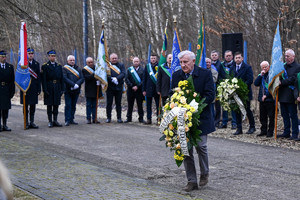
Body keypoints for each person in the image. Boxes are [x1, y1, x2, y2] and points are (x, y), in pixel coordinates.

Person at [171, 50, 215, 192]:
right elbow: (172, 95)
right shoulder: (177, 75)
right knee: (186, 149)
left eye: (185, 62)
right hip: (182, 118)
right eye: (181, 62)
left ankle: (204, 173)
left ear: (193, 61)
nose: (183, 65)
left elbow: (210, 94)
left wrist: (196, 106)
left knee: (201, 147)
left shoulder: (205, 74)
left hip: (200, 117)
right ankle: (191, 181)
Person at [229, 52, 256, 135]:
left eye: (239, 57)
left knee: (247, 110)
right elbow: (230, 79)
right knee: (237, 111)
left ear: (242, 58)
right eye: (236, 58)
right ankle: (239, 128)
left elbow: (250, 79)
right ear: (234, 59)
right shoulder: (232, 67)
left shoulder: (247, 67)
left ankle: (252, 127)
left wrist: (241, 87)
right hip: (235, 94)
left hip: (245, 93)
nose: (237, 59)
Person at [277, 49, 300, 141]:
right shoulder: (282, 67)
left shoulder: (298, 67)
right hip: (282, 94)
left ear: (293, 57)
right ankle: (286, 132)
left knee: (293, 115)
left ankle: (294, 133)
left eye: (288, 56)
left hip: (291, 94)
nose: (286, 58)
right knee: (284, 114)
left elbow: (293, 79)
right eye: (285, 56)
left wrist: (281, 82)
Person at [41, 50, 64, 128]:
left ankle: (55, 120)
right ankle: (50, 121)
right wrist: (45, 89)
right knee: (49, 105)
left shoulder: (59, 66)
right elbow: (43, 79)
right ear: (48, 56)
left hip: (57, 86)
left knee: (56, 104)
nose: (53, 57)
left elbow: (61, 78)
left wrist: (62, 89)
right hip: (49, 86)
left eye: (54, 56)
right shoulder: (45, 66)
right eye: (51, 56)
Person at [20, 48, 41, 129]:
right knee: (25, 105)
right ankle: (26, 122)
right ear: (26, 54)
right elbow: (20, 76)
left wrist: (39, 88)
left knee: (33, 105)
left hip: (34, 87)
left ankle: (32, 122)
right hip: (25, 87)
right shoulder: (22, 64)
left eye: (32, 53)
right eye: (29, 53)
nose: (30, 55)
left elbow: (38, 77)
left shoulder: (36, 64)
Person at [254, 61, 275, 137]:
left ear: (269, 67)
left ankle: (270, 131)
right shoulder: (261, 75)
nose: (264, 68)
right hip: (262, 100)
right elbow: (256, 83)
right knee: (262, 116)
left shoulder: (272, 75)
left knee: (271, 116)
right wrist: (260, 75)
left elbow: (273, 88)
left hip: (270, 99)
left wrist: (267, 95)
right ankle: (263, 130)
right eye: (262, 67)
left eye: (265, 67)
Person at [63, 55, 84, 126]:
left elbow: (82, 78)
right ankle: (67, 120)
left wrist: (77, 85)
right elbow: (65, 78)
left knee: (73, 105)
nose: (72, 61)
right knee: (68, 105)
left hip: (76, 90)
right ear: (67, 61)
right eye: (71, 60)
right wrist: (72, 85)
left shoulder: (78, 68)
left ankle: (72, 119)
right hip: (68, 90)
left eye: (73, 60)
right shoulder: (65, 68)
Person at [219, 50, 237, 129]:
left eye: (230, 55)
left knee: (233, 105)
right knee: (225, 105)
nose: (228, 57)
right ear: (224, 57)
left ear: (232, 56)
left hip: (233, 87)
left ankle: (234, 122)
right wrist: (222, 82)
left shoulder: (235, 64)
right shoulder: (221, 65)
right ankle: (224, 122)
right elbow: (219, 75)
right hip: (223, 87)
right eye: (227, 56)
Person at [105, 53, 125, 123]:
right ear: (110, 59)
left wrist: (117, 78)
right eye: (113, 58)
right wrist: (112, 79)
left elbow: (123, 73)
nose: (114, 59)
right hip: (110, 87)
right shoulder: (107, 66)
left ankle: (119, 118)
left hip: (118, 87)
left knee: (118, 103)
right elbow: (105, 75)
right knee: (109, 103)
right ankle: (108, 118)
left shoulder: (121, 65)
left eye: (115, 58)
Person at [82, 57, 102, 124]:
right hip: (89, 89)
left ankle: (95, 118)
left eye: (91, 62)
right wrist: (94, 75)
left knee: (95, 105)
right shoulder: (84, 70)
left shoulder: (97, 68)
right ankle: (88, 118)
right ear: (86, 63)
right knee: (88, 105)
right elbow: (87, 78)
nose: (91, 63)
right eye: (89, 62)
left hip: (96, 89)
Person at [124, 57, 144, 123]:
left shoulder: (142, 70)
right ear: (133, 62)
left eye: (137, 61)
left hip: (139, 90)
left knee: (140, 105)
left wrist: (137, 86)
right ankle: (129, 118)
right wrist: (132, 86)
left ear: (139, 62)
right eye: (135, 61)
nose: (136, 63)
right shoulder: (129, 69)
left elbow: (143, 80)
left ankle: (141, 118)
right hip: (130, 90)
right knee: (130, 105)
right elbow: (126, 79)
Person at [143, 53, 160, 125]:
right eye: (152, 58)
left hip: (157, 89)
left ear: (156, 59)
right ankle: (148, 119)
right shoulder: (147, 67)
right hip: (148, 89)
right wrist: (143, 90)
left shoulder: (160, 66)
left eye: (154, 58)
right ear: (150, 59)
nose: (153, 60)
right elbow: (144, 78)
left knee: (158, 105)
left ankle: (158, 119)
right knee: (148, 105)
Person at [0, 50, 15, 132]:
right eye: (2, 57)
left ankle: (5, 124)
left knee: (5, 109)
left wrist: (12, 92)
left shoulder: (10, 67)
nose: (4, 58)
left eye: (5, 57)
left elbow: (12, 80)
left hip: (6, 89)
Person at [210, 50, 222, 127]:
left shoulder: (220, 64)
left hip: (217, 87)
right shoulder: (208, 63)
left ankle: (217, 121)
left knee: (217, 105)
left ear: (218, 56)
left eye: (215, 55)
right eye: (212, 55)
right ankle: (212, 120)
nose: (214, 56)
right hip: (210, 87)